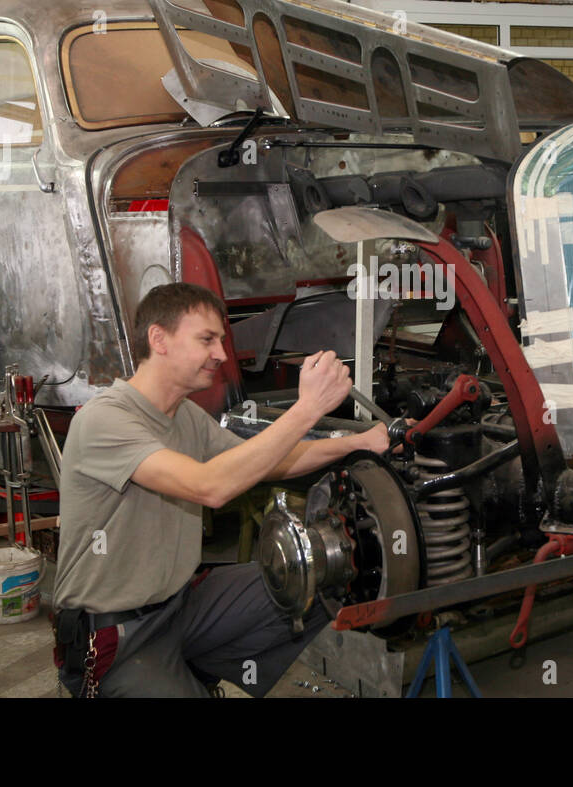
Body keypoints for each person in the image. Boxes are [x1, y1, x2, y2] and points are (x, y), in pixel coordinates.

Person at [52, 282, 389, 697]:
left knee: (323, 572)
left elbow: (270, 461)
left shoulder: (187, 417)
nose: (222, 354)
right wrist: (306, 410)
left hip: (182, 607)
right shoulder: (105, 421)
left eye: (221, 341)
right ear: (159, 339)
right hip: (117, 634)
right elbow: (209, 487)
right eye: (207, 339)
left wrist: (357, 442)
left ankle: (197, 666)